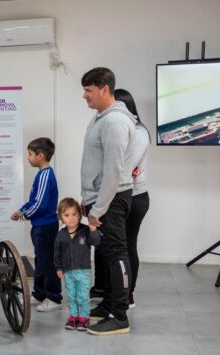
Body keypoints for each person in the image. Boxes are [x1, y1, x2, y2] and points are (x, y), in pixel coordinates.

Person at [80, 67, 135, 335]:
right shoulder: (101, 118)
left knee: (116, 254)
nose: (84, 95)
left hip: (111, 200)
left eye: (88, 90)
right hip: (100, 199)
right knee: (105, 254)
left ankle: (119, 315)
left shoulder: (115, 122)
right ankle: (108, 305)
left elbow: (113, 172)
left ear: (104, 89)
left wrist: (98, 209)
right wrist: (87, 201)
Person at [11, 137, 60, 312]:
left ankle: (53, 297)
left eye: (30, 154)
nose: (28, 157)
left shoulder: (46, 175)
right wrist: (21, 210)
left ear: (40, 156)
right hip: (39, 226)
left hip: (45, 227)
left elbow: (40, 204)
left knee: (47, 263)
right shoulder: (41, 174)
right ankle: (39, 293)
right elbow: (34, 200)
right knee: (40, 260)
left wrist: (23, 216)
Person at [114, 88, 150, 308]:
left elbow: (126, 167)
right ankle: (117, 291)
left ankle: (128, 294)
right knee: (118, 247)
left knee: (127, 246)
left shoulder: (138, 131)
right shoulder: (122, 129)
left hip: (134, 197)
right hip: (121, 194)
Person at [54, 198, 100, 331]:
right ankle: (73, 316)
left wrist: (93, 230)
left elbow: (96, 242)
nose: (71, 218)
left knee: (83, 296)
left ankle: (84, 317)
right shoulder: (60, 235)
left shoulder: (85, 231)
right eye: (67, 215)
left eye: (74, 214)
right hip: (68, 272)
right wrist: (59, 267)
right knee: (72, 296)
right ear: (61, 217)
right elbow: (57, 254)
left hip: (84, 271)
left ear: (80, 215)